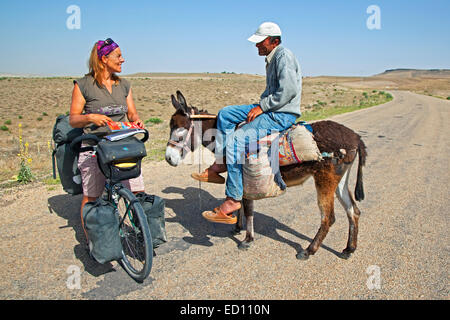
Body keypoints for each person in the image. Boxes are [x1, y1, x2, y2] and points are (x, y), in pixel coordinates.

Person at [194, 22, 303, 224]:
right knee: (225, 114)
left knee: (235, 141)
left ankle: (233, 199)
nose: (256, 46)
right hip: (270, 106)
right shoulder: (272, 58)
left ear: (274, 41)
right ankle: (222, 161)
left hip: (280, 113)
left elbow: (288, 91)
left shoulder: (283, 56)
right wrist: (261, 104)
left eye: (260, 42)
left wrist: (262, 107)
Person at [69, 38, 145, 242]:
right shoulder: (83, 85)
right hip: (94, 146)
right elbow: (74, 119)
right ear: (104, 59)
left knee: (137, 191)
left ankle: (143, 234)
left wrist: (137, 122)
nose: (123, 60)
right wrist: (90, 117)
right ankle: (93, 242)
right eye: (118, 56)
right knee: (91, 196)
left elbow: (132, 114)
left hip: (122, 146)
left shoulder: (124, 85)